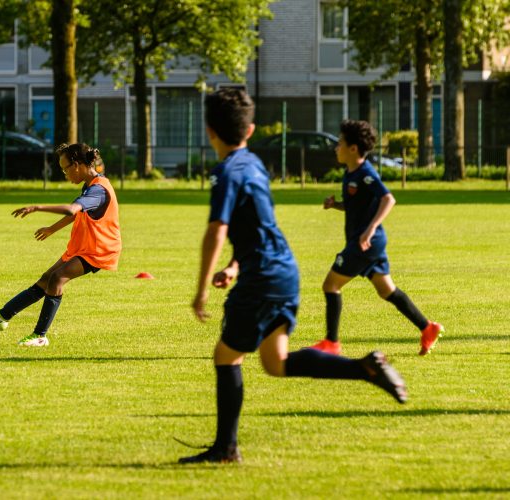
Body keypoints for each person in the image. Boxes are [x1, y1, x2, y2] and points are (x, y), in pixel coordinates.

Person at [180, 88, 407, 465]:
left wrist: (201, 287)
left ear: (209, 132)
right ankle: (364, 367)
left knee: (226, 356)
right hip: (283, 272)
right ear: (250, 130)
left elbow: (218, 229)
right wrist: (235, 265)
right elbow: (255, 225)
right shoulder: (253, 164)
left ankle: (225, 449)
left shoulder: (225, 172)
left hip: (263, 278)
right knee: (274, 362)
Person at [307, 120, 443, 356]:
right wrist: (336, 205)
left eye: (339, 143)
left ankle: (331, 343)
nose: (336, 147)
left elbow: (388, 199)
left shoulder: (366, 173)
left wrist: (370, 230)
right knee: (386, 290)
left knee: (331, 285)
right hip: (368, 242)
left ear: (353, 149)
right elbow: (357, 206)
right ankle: (427, 327)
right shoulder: (349, 173)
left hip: (365, 242)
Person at [0, 143, 121, 347]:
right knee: (46, 279)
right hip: (83, 246)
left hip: (99, 249)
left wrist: (37, 207)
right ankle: (3, 316)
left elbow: (71, 209)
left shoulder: (98, 190)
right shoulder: (91, 184)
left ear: (77, 165)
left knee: (57, 279)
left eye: (65, 168)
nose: (65, 173)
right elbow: (78, 212)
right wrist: (52, 228)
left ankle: (40, 336)